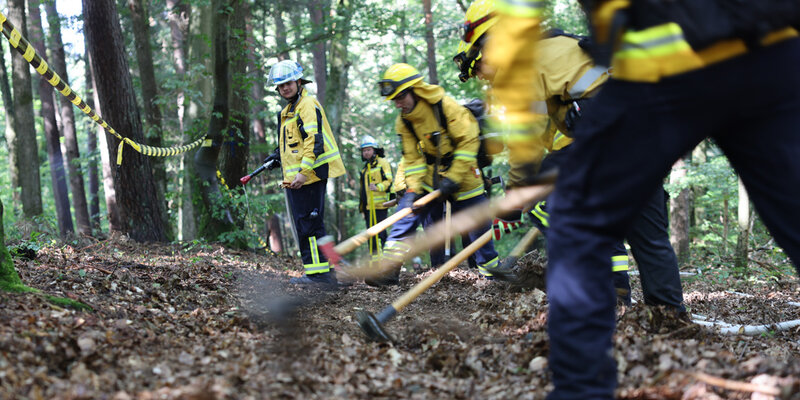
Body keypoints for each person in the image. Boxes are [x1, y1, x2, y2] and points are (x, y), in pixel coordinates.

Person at [481, 1, 800, 398]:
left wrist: (521, 189)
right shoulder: (562, 50)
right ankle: (668, 317)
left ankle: (581, 389)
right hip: (773, 48)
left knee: (576, 219)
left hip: (665, 61)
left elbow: (526, 133)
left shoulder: (529, 53)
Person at [457, 0, 685, 309]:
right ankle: (670, 318)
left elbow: (529, 144)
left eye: (482, 56)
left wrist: (515, 196)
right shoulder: (555, 45)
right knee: (649, 238)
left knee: (545, 198)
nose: (485, 70)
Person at [367, 63, 501, 285]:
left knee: (478, 224)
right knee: (406, 214)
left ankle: (492, 274)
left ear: (415, 91)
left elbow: (469, 141)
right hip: (432, 175)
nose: (397, 104)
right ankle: (388, 270)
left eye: (401, 97)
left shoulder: (445, 106)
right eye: (394, 100)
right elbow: (412, 159)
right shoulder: (404, 120)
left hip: (465, 172)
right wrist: (413, 190)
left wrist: (454, 178)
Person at [266, 60, 346, 287]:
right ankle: (335, 270)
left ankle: (318, 275)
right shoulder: (289, 111)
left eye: (288, 83)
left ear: (299, 82)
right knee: (313, 225)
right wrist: (276, 156)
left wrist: (303, 172)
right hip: (298, 178)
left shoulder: (307, 105)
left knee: (308, 225)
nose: (285, 89)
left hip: (308, 176)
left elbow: (314, 141)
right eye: (280, 86)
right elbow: (294, 144)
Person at [359, 135, 394, 261]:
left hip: (381, 206)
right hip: (369, 207)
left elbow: (389, 181)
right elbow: (362, 191)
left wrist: (378, 187)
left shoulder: (383, 163)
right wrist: (362, 207)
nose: (366, 152)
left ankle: (386, 260)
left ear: (374, 150)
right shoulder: (364, 170)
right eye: (364, 150)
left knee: (381, 233)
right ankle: (374, 261)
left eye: (369, 149)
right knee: (370, 234)